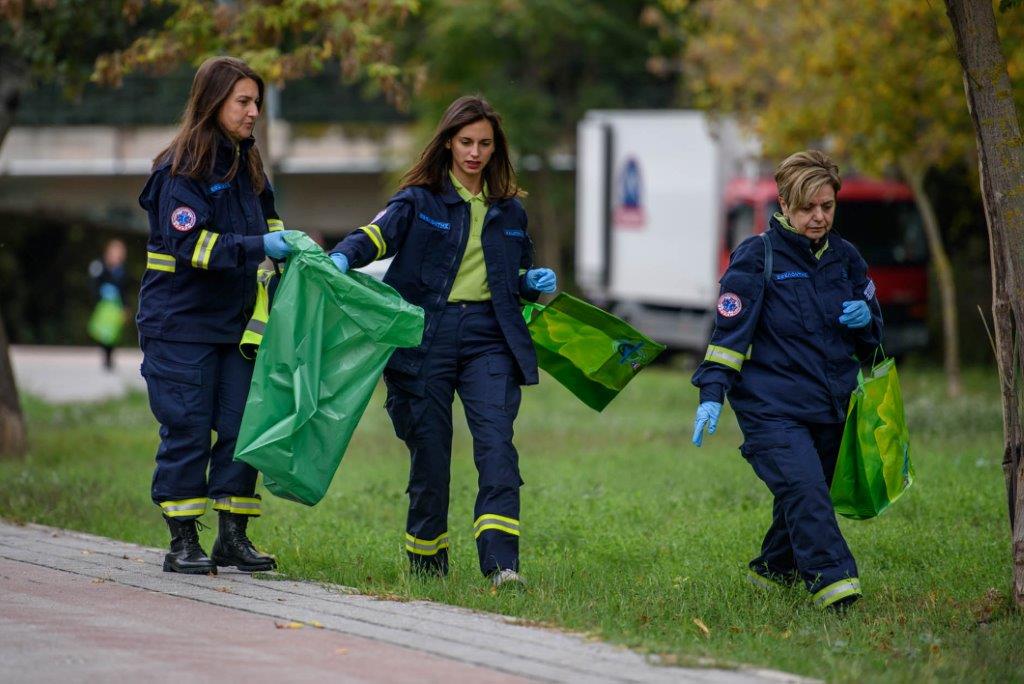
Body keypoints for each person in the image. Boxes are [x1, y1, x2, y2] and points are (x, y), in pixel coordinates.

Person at [328, 95, 557, 589]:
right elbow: (376, 236)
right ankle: (428, 565)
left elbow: (512, 278)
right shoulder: (420, 200)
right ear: (449, 143)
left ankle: (501, 566)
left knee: (497, 447)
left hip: (489, 338)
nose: (474, 153)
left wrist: (530, 282)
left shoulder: (509, 211)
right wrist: (342, 258)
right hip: (425, 337)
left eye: (484, 144)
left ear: (496, 149)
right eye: (466, 142)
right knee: (430, 455)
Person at [690, 150, 882, 610]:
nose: (818, 218)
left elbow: (874, 340)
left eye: (827, 207)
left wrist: (867, 320)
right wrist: (712, 393)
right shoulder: (757, 258)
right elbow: (727, 336)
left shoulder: (847, 258)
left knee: (805, 491)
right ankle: (837, 588)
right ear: (784, 205)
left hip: (831, 404)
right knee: (805, 489)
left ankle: (775, 570)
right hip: (771, 407)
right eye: (807, 208)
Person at [137, 56, 301, 575]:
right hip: (180, 325)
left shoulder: (248, 163)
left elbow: (270, 218)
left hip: (234, 328)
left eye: (257, 102)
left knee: (240, 429)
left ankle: (233, 536)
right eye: (244, 102)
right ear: (213, 103)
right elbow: (192, 246)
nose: (254, 112)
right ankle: (183, 540)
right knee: (187, 428)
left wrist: (287, 246)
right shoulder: (181, 168)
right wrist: (261, 244)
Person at [88, 238, 128, 370]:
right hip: (103, 305)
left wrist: (125, 307)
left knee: (113, 333)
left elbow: (124, 291)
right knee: (104, 332)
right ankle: (106, 357)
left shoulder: (121, 270)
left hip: (115, 307)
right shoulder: (98, 266)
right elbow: (93, 285)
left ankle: (109, 357)